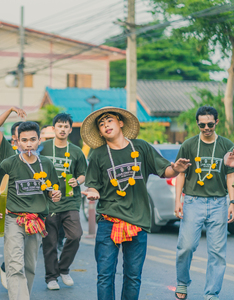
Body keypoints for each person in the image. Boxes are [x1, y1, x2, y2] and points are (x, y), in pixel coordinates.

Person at [81, 107, 191, 300]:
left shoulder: (140, 147)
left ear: (120, 122)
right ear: (99, 132)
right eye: (101, 124)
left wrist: (176, 169)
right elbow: (93, 186)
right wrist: (92, 193)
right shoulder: (98, 155)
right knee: (105, 276)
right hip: (109, 221)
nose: (106, 125)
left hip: (137, 222)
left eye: (109, 120)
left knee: (133, 277)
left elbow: (165, 170)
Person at [0, 121, 61, 299]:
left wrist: (56, 195)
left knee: (30, 266)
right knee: (15, 265)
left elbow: (53, 191)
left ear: (39, 140)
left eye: (32, 139)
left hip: (37, 221)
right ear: (16, 142)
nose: (28, 144)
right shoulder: (8, 164)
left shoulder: (46, 164)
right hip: (13, 220)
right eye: (24, 140)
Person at [174, 106, 234, 300]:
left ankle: (211, 293)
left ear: (216, 122)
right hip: (193, 201)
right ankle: (182, 282)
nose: (206, 128)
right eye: (202, 125)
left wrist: (232, 202)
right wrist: (178, 200)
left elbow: (231, 176)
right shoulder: (189, 145)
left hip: (219, 203)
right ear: (197, 124)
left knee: (217, 252)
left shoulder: (227, 145)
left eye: (210, 124)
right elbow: (181, 173)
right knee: (186, 246)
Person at [39, 113, 87, 290]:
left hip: (70, 200)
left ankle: (63, 268)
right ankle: (51, 277)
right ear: (54, 128)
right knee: (49, 241)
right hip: (48, 202)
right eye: (59, 126)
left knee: (75, 235)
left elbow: (83, 173)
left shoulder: (76, 151)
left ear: (70, 129)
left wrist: (77, 181)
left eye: (66, 126)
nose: (63, 129)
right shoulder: (42, 148)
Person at [0, 106, 26, 288]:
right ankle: (13, 280)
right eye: (22, 136)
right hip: (11, 209)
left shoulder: (37, 157)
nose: (27, 141)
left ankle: (8, 268)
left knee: (26, 253)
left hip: (33, 214)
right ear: (14, 138)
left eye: (31, 138)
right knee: (14, 249)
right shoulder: (6, 152)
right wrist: (11, 109)